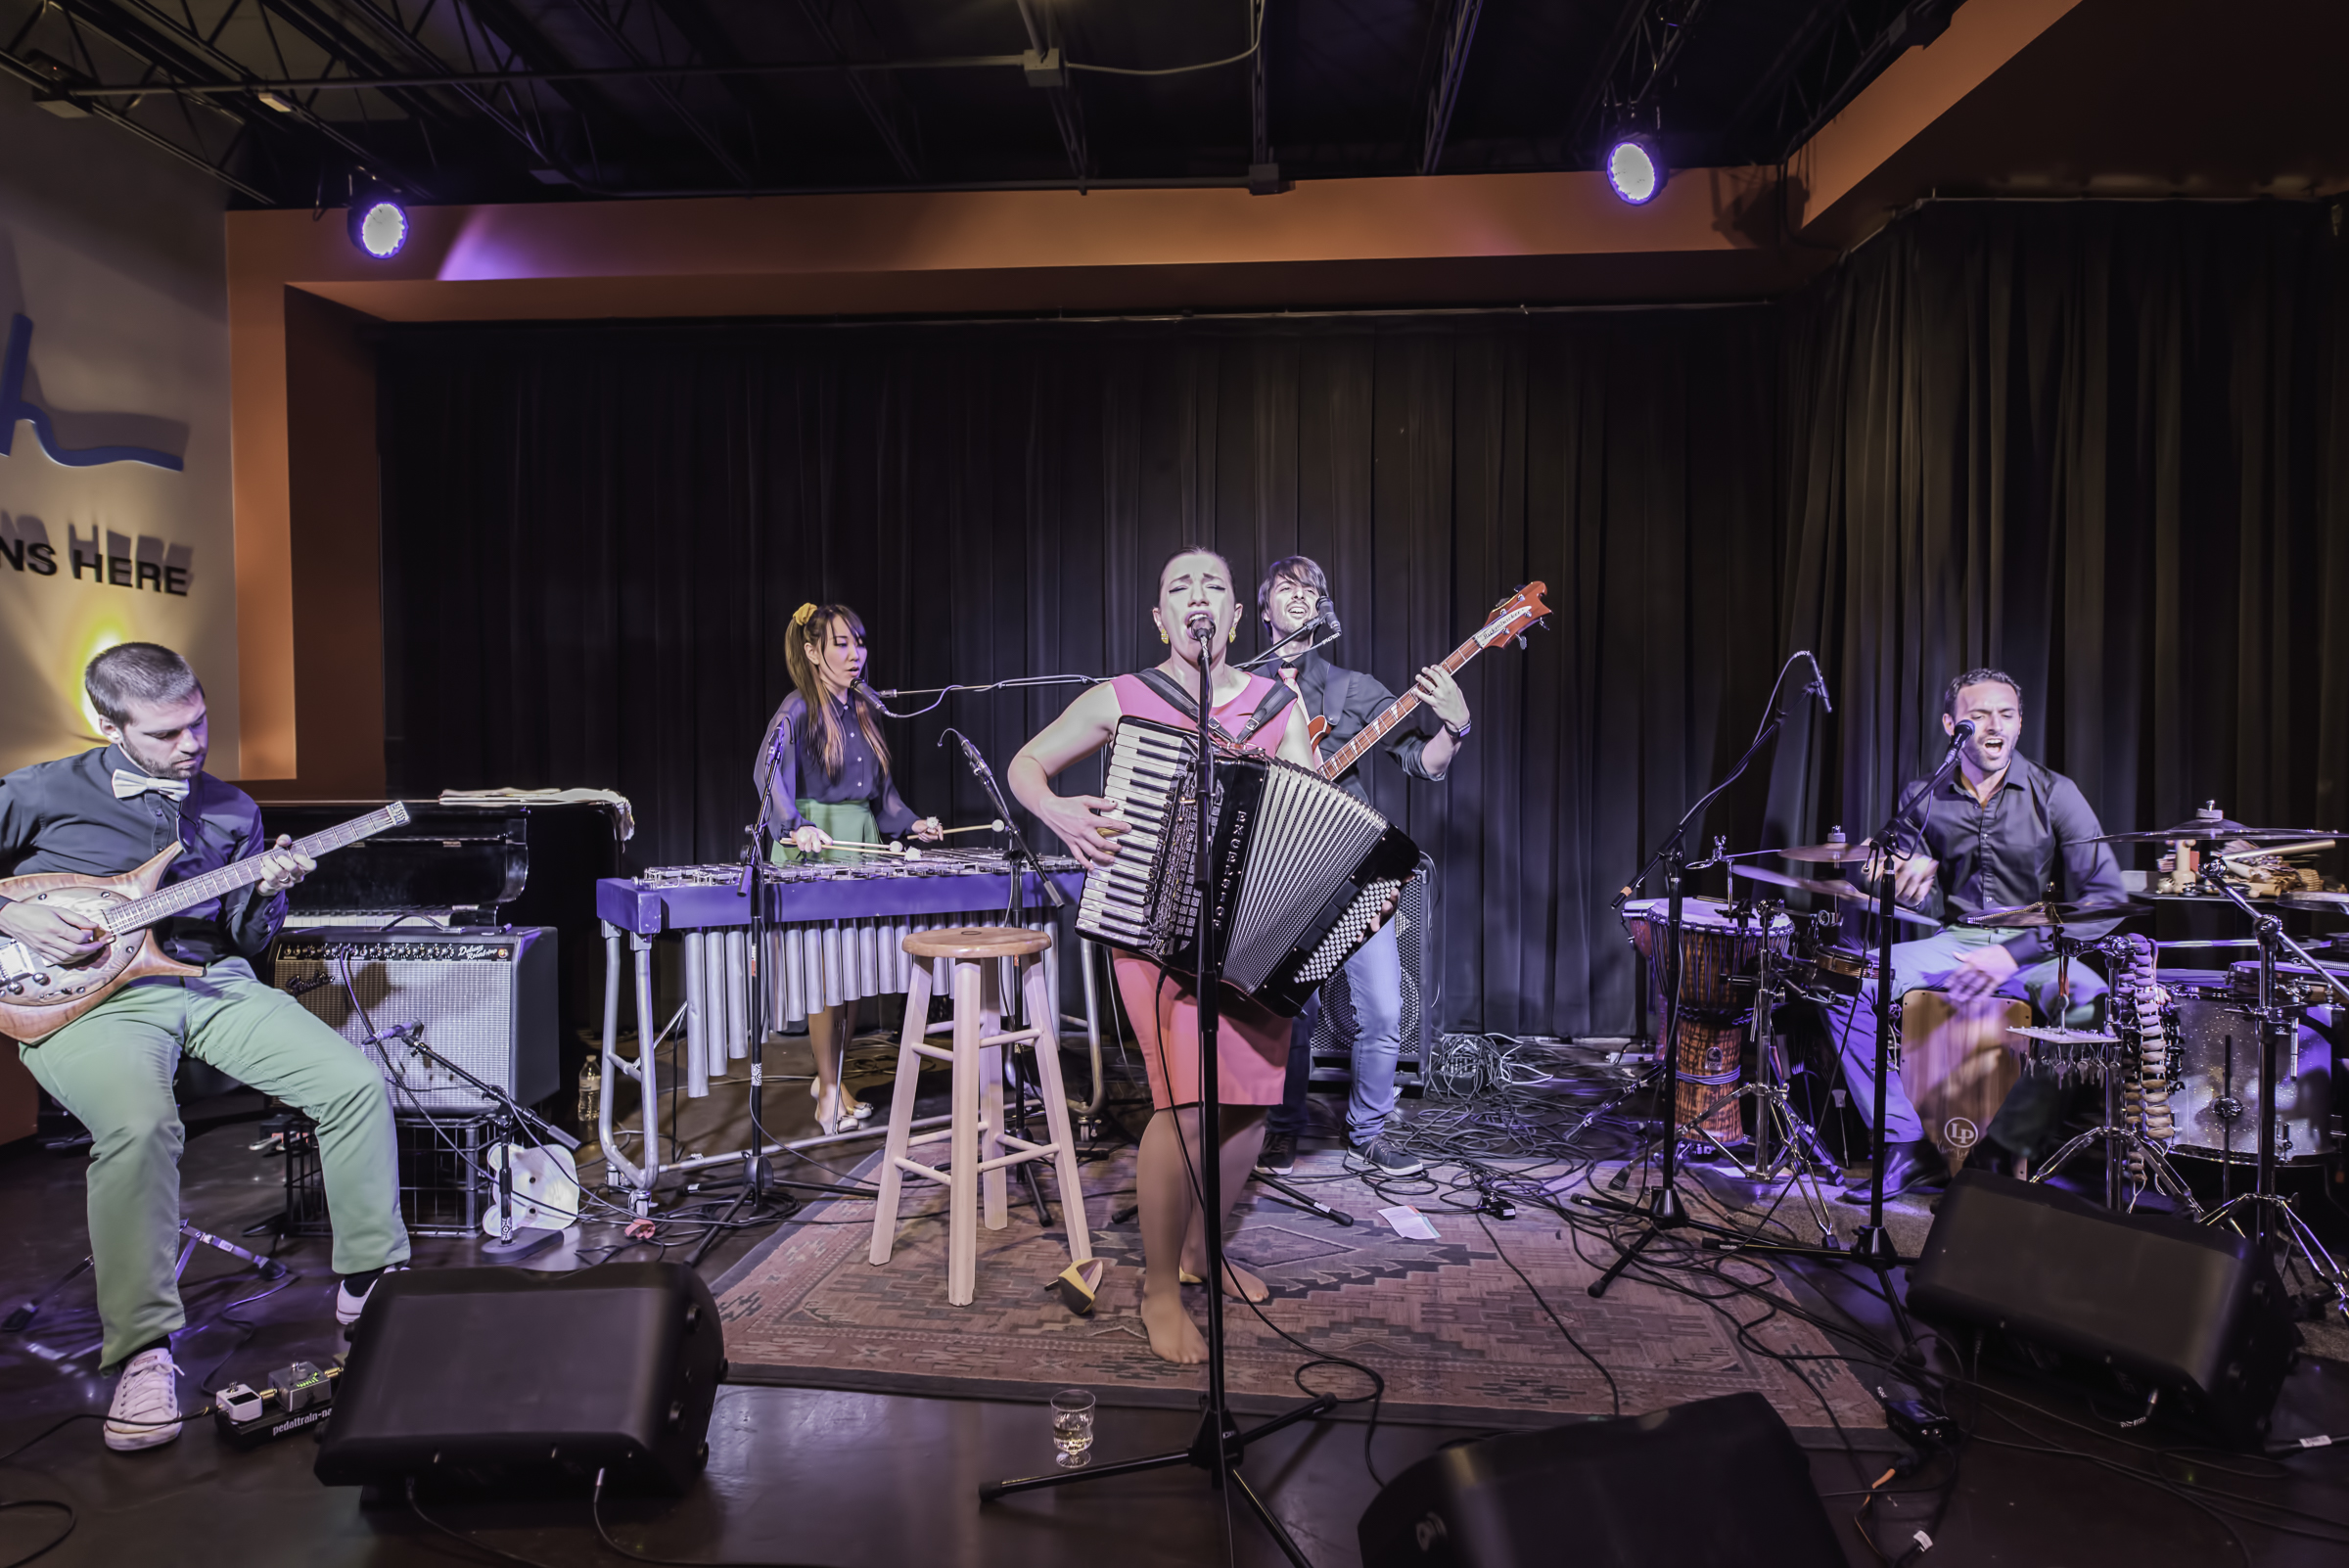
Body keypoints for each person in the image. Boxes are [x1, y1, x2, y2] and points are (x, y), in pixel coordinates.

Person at [0, 644, 409, 1452]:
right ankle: (144, 1352)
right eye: (165, 734)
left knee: (353, 1081)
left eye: (199, 723)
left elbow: (246, 943)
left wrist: (267, 894)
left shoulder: (229, 807)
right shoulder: (41, 790)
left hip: (205, 979)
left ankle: (370, 1282)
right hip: (86, 1000)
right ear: (105, 724)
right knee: (141, 1126)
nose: (190, 746)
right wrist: (9, 915)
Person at [1009, 546, 1319, 1364]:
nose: (1198, 597)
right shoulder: (1126, 697)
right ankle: (1155, 1287)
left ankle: (1200, 1253)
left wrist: (1349, 876)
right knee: (1184, 1107)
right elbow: (1026, 765)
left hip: (1251, 934)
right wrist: (1063, 815)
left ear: (1234, 614)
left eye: (1212, 585)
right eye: (1180, 587)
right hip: (1152, 928)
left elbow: (1310, 807)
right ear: (1159, 616)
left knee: (1250, 1100)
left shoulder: (1272, 705)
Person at [1829, 669, 2129, 1199]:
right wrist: (1892, 875)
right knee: (1844, 985)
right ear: (1953, 725)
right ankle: (1905, 1147)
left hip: (2035, 948)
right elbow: (1871, 863)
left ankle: (2001, 1149)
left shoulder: (2056, 793)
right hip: (1953, 941)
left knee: (2089, 999)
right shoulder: (1925, 793)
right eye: (1979, 715)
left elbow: (2106, 897)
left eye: (2006, 715)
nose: (1995, 726)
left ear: (2018, 725)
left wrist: (2012, 956)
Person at [1250, 556, 1470, 1179]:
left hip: (1354, 871)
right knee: (1284, 1012)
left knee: (1382, 1010)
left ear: (1323, 608)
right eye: (1286, 589)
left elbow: (1423, 764)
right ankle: (1280, 1128)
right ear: (1262, 610)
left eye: (1311, 589)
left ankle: (1368, 1133)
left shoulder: (1354, 689)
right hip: (1279, 875)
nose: (1300, 596)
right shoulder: (1237, 691)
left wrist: (1456, 723)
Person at [753, 603, 943, 1133]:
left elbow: (884, 797)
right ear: (812, 652)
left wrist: (912, 824)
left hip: (860, 840)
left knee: (852, 974)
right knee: (825, 975)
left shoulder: (865, 709)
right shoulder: (797, 709)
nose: (855, 653)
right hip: (816, 845)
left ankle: (832, 1077)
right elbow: (766, 775)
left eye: (859, 641)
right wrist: (795, 825)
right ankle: (829, 1091)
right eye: (840, 643)